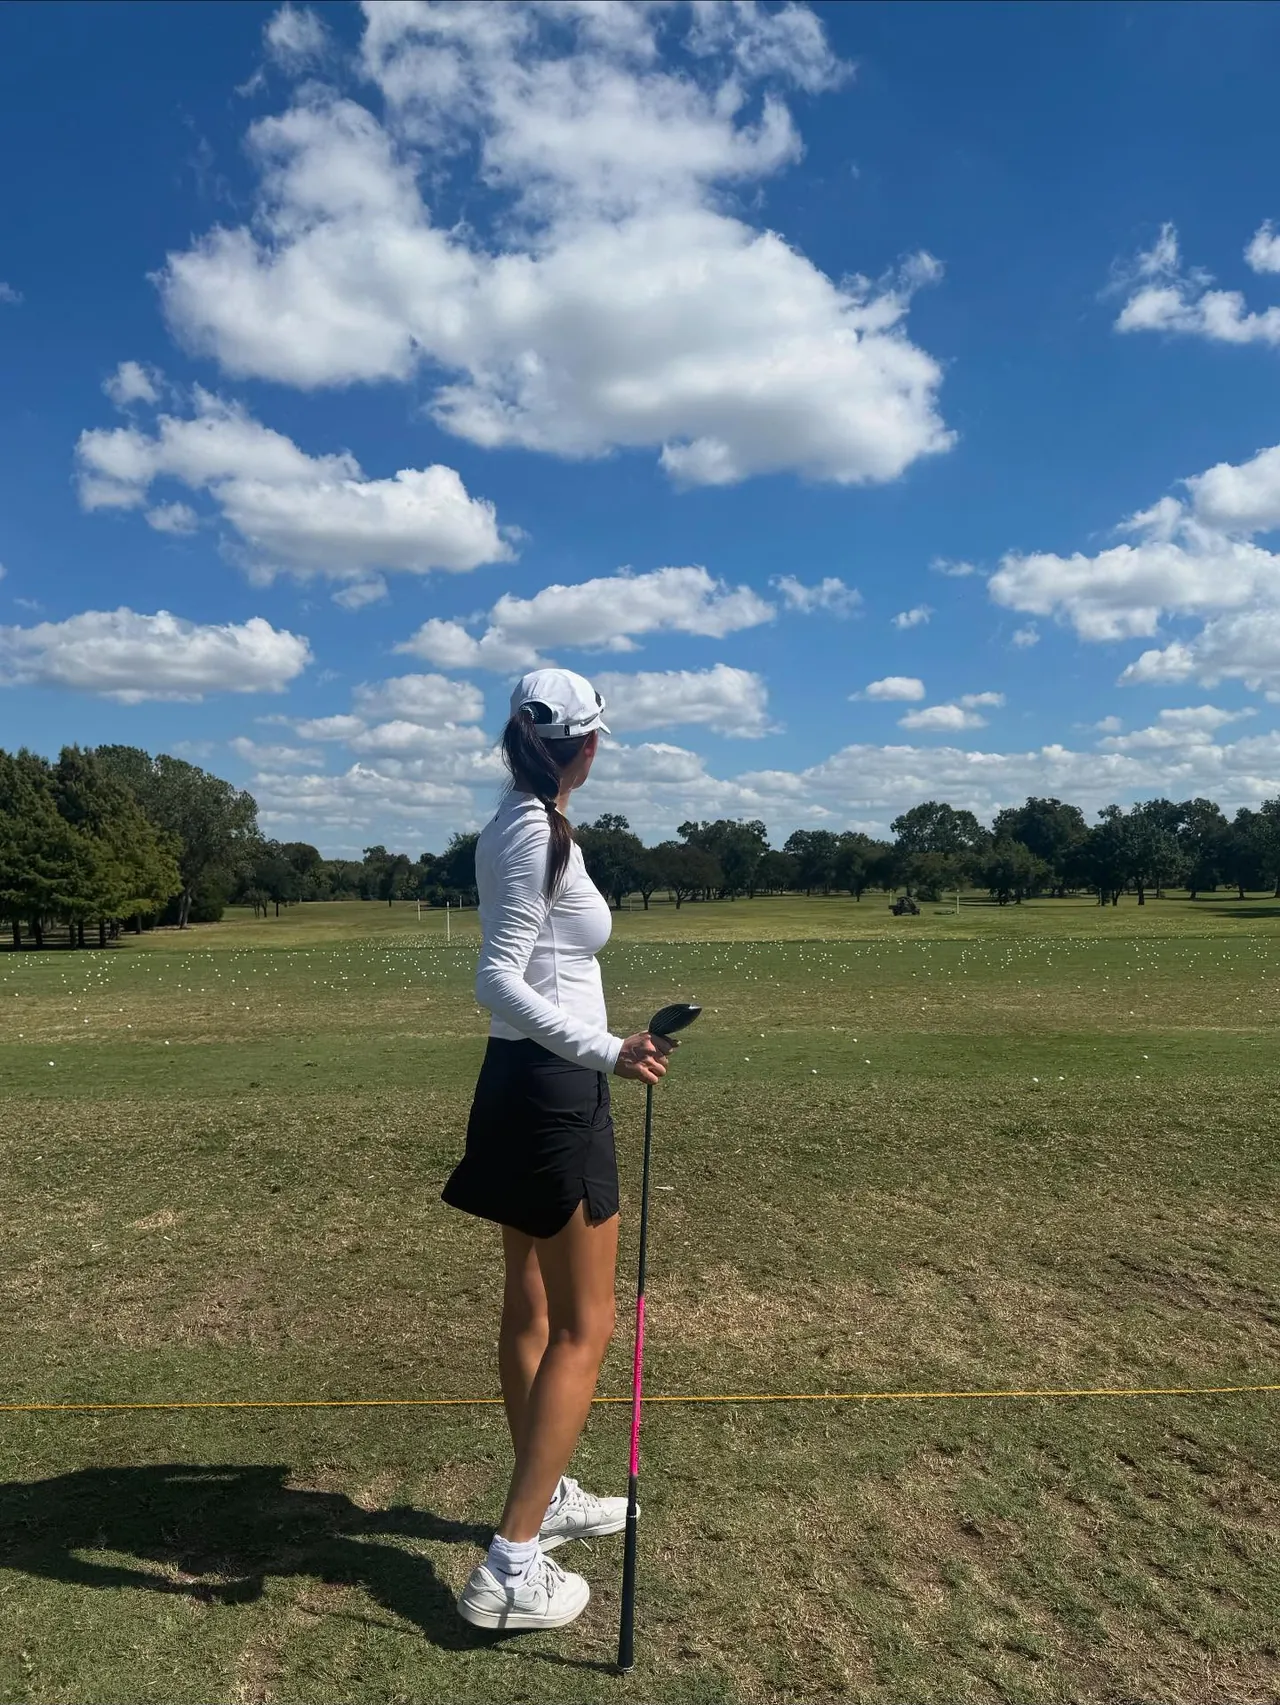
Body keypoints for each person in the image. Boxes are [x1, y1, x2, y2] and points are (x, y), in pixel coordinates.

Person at [442, 667, 675, 1633]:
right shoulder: (534, 831)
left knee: (532, 1302)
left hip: (523, 1084)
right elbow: (498, 979)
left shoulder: (519, 821)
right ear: (586, 745)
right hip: (553, 1091)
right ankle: (510, 1563)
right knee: (586, 1324)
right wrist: (608, 1049)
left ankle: (548, 1494)